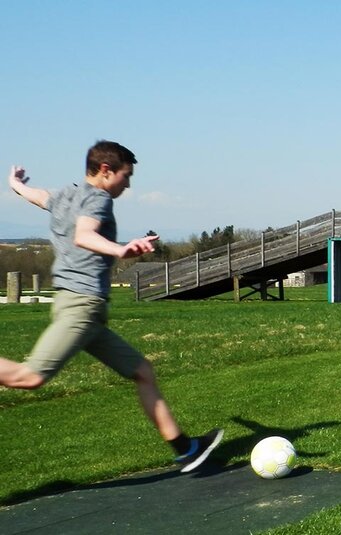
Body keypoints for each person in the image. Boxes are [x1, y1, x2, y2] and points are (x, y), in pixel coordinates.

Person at [1, 141, 222, 473]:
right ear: (105, 170)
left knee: (142, 372)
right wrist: (121, 250)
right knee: (30, 377)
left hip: (80, 309)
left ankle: (186, 450)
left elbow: (37, 196)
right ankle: (187, 449)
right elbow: (84, 235)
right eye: (126, 176)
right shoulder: (98, 199)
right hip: (80, 306)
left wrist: (16, 184)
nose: (128, 184)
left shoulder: (65, 195)